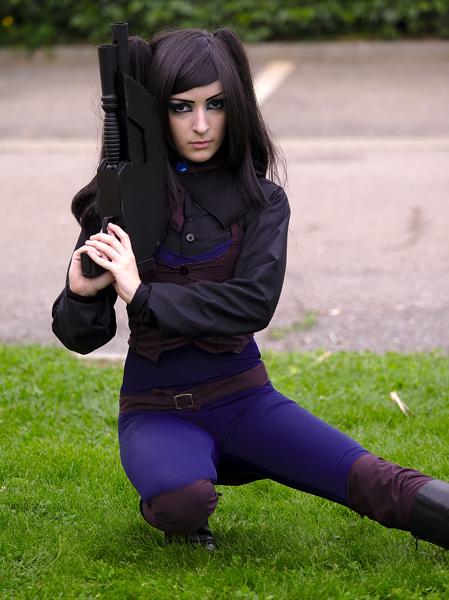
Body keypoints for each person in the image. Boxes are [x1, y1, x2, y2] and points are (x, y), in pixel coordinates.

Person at [52, 27, 449, 552]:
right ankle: (186, 485)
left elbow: (252, 303)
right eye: (181, 107)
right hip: (156, 411)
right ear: (156, 112)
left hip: (245, 401)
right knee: (182, 500)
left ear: (235, 106)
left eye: (215, 104)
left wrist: (143, 293)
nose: (201, 125)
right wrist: (82, 295)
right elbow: (81, 338)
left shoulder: (262, 201)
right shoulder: (122, 200)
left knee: (370, 478)